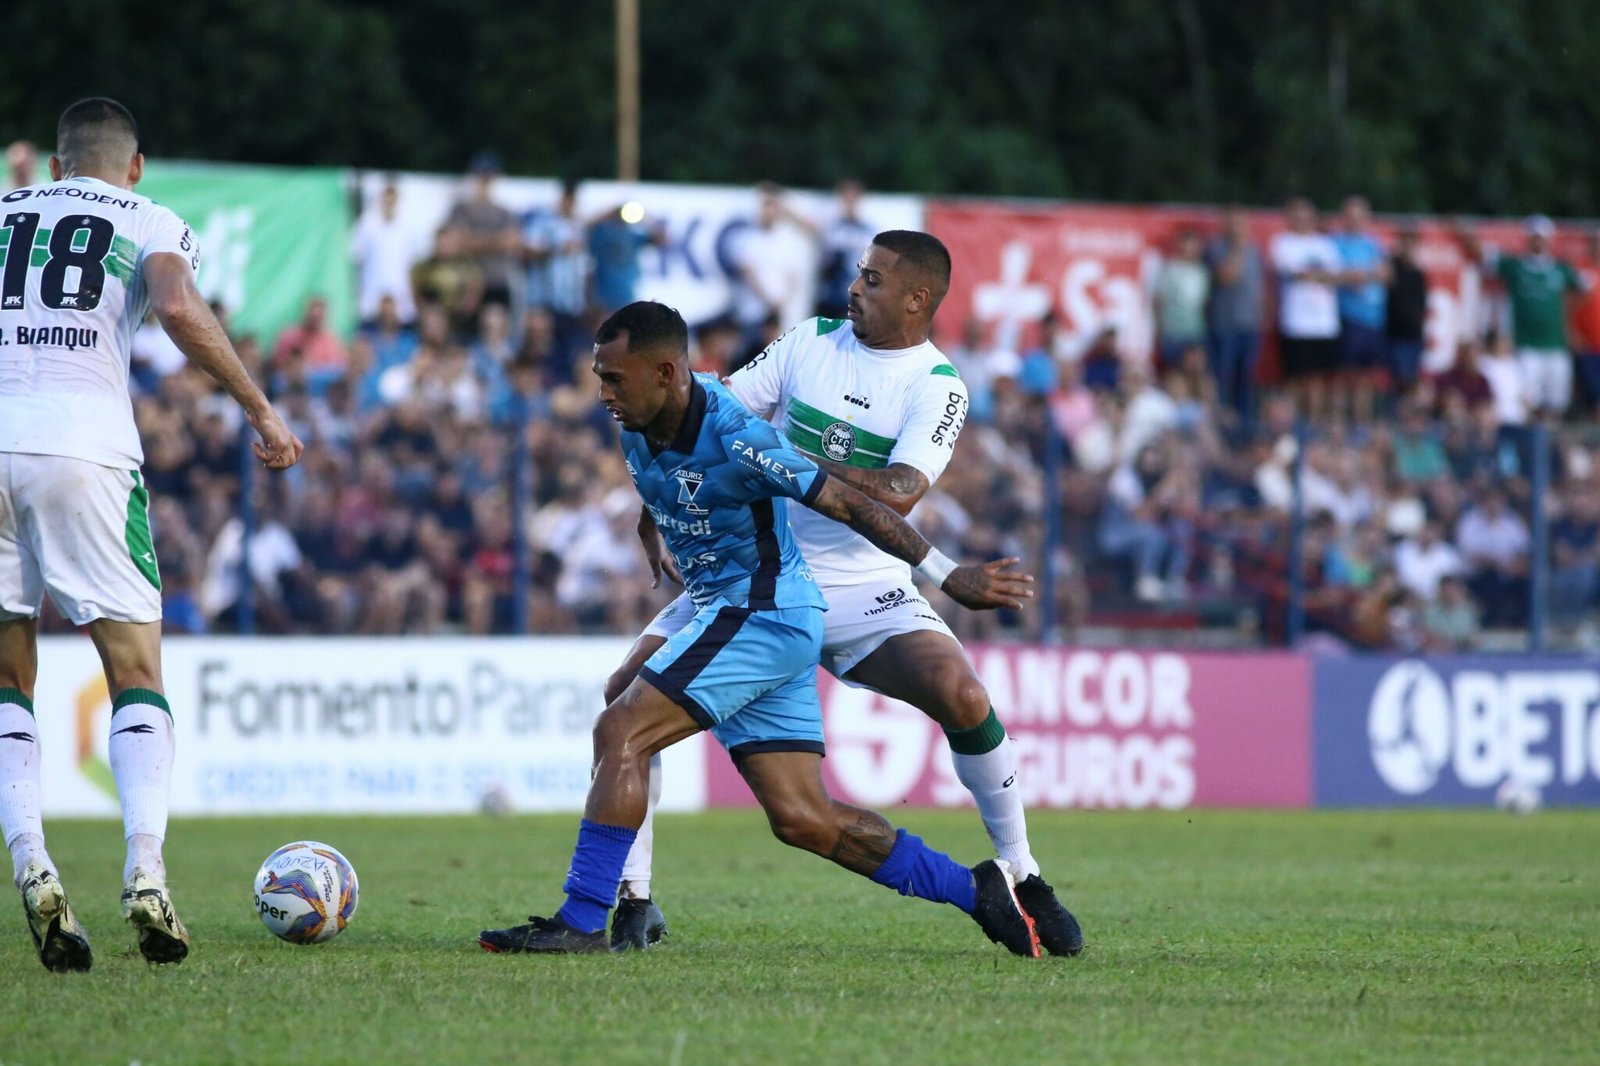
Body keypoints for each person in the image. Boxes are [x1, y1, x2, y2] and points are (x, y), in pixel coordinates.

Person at [477, 301, 1058, 958]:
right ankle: (975, 890)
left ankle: (584, 919)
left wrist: (949, 576)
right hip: (741, 612)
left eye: (614, 379)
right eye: (599, 376)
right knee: (803, 819)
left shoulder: (743, 440)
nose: (602, 392)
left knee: (622, 727)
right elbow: (663, 480)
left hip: (762, 613)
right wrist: (651, 520)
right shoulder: (637, 422)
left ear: (667, 372)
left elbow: (856, 505)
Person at [600, 232, 1084, 957]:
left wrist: (790, 459)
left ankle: (1023, 872)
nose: (855, 288)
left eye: (875, 280)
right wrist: (661, 499)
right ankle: (633, 899)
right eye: (859, 274)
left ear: (917, 298)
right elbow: (703, 411)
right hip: (753, 572)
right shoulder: (810, 341)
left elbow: (899, 491)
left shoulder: (937, 386)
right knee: (623, 696)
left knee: (963, 696)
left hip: (865, 583)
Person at [0, 98, 304, 972]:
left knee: (8, 674)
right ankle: (144, 871)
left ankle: (32, 863)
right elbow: (173, 304)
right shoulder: (147, 217)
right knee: (133, 670)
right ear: (134, 167)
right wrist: (258, 406)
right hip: (85, 447)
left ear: (56, 169)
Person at [1269, 197, 1342, 422]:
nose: (1302, 220)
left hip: (1324, 325)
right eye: (1297, 216)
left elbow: (1337, 276)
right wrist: (1321, 276)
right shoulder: (1282, 243)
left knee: (1317, 381)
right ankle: (1291, 427)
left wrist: (1313, 275)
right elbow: (1293, 272)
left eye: (1306, 215)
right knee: (1294, 379)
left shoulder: (1325, 244)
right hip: (1296, 323)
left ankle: (1313, 427)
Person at [1203, 205, 1265, 430]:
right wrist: (1238, 248)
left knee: (1246, 378)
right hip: (1224, 324)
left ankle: (1244, 425)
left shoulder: (1254, 249)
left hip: (1250, 324)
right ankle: (1221, 423)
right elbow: (1226, 276)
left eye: (1242, 222)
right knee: (1222, 377)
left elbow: (1258, 286)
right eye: (1233, 222)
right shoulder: (1216, 248)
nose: (1238, 228)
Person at [1330, 195, 1390, 423]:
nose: (1356, 220)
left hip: (1374, 320)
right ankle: (1340, 424)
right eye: (1351, 216)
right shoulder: (1336, 243)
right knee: (1345, 376)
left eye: (1360, 216)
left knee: (1367, 377)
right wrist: (1367, 274)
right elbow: (1341, 276)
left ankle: (1361, 423)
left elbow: (1386, 275)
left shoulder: (1373, 244)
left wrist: (1362, 275)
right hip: (1349, 317)